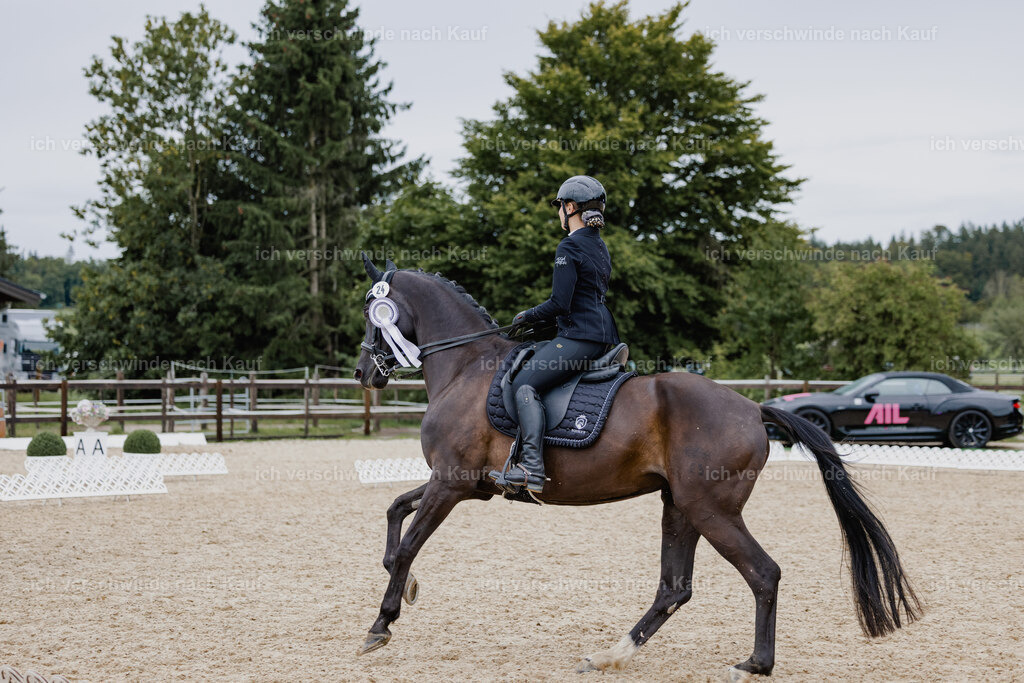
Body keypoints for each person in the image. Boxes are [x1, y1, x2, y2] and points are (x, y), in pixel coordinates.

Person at [497, 175, 621, 493]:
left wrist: (526, 316)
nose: (558, 214)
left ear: (569, 207)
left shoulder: (568, 246)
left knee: (525, 385)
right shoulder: (599, 245)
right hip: (602, 332)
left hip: (580, 337)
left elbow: (559, 302)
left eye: (559, 207)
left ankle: (532, 469)